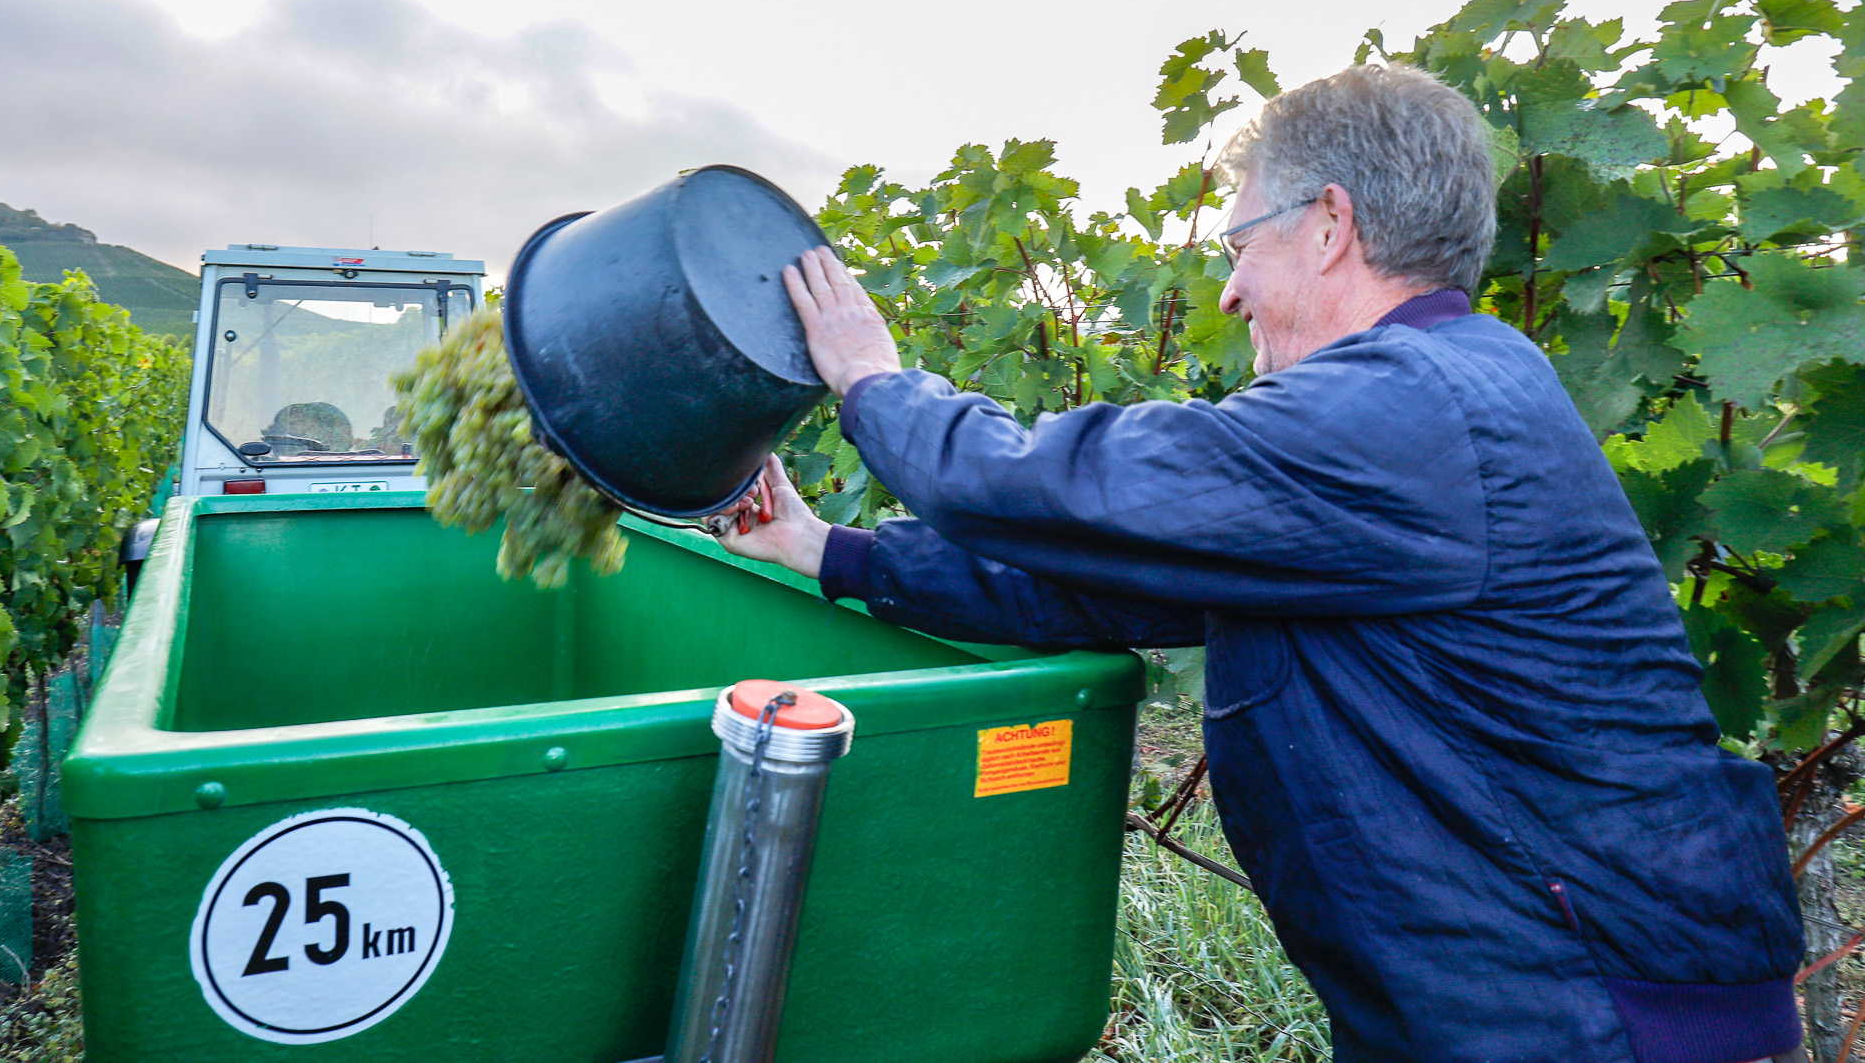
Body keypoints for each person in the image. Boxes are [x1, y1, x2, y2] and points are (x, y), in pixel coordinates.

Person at [718, 64, 1806, 1063]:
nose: (1229, 293)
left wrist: (873, 383)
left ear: (1327, 224)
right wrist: (829, 550)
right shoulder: (1415, 408)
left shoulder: (1410, 401)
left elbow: (1059, 485)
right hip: (1518, 986)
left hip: (1591, 1009)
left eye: (1237, 245)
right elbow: (1104, 581)